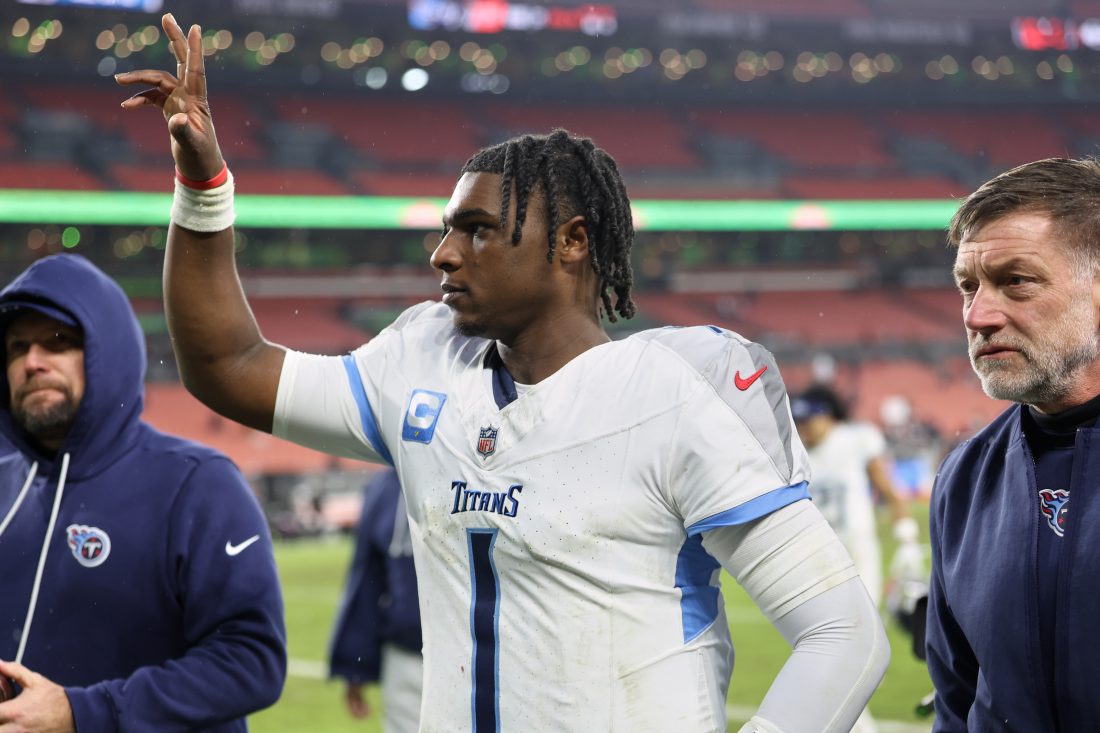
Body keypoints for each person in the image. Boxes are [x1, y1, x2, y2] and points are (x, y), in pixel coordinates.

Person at [117, 14, 889, 731]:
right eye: (448, 229)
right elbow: (227, 364)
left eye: (479, 230)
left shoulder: (674, 393)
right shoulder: (420, 363)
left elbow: (843, 634)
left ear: (573, 243)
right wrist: (202, 184)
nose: (443, 253)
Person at [0, 254, 287, 732]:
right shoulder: (5, 485)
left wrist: (83, 714)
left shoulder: (197, 483)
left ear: (104, 352)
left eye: (58, 342)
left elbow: (251, 661)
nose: (32, 362)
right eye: (15, 347)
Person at [927, 156, 1100, 730]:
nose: (978, 315)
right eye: (968, 287)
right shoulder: (966, 476)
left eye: (1016, 281)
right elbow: (956, 697)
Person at [791, 384, 913, 733]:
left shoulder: (856, 439)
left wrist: (905, 534)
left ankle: (854, 720)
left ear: (830, 415)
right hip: (814, 558)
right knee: (825, 645)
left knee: (856, 640)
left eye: (811, 419)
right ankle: (856, 721)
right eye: (799, 420)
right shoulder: (794, 450)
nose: (805, 427)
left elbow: (887, 488)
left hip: (857, 552)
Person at [329, 468, 423, 733]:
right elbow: (367, 581)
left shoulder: (484, 471)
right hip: (406, 655)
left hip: (484, 655)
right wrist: (355, 664)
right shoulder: (387, 485)